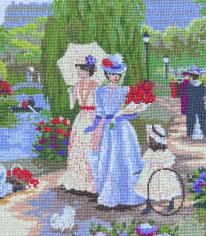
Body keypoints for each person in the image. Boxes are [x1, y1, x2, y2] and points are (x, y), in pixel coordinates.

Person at [84, 54, 144, 208]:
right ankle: (109, 193)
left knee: (124, 157)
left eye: (118, 74)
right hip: (109, 129)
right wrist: (93, 126)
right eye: (112, 74)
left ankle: (127, 195)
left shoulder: (125, 90)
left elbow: (134, 113)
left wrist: (125, 114)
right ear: (107, 74)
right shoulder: (100, 91)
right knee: (109, 157)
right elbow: (99, 113)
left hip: (123, 129)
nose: (115, 77)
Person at [60, 54, 100, 195]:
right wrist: (71, 94)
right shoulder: (77, 85)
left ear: (88, 71)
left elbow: (99, 104)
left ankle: (90, 180)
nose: (78, 73)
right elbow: (72, 106)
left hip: (92, 116)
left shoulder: (96, 86)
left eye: (80, 70)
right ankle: (77, 178)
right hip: (82, 116)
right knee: (78, 145)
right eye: (77, 70)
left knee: (90, 145)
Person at [136, 125, 181, 215]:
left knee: (167, 186)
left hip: (163, 174)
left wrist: (163, 166)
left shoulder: (165, 152)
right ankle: (148, 206)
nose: (149, 140)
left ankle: (171, 203)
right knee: (148, 187)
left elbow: (169, 162)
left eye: (150, 139)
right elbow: (146, 161)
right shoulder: (150, 152)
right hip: (150, 173)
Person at [185, 69, 206, 139]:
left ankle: (189, 132)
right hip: (200, 103)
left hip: (191, 103)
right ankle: (204, 132)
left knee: (190, 118)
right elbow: (203, 94)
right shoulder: (201, 84)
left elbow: (187, 94)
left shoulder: (189, 85)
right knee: (202, 118)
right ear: (198, 77)